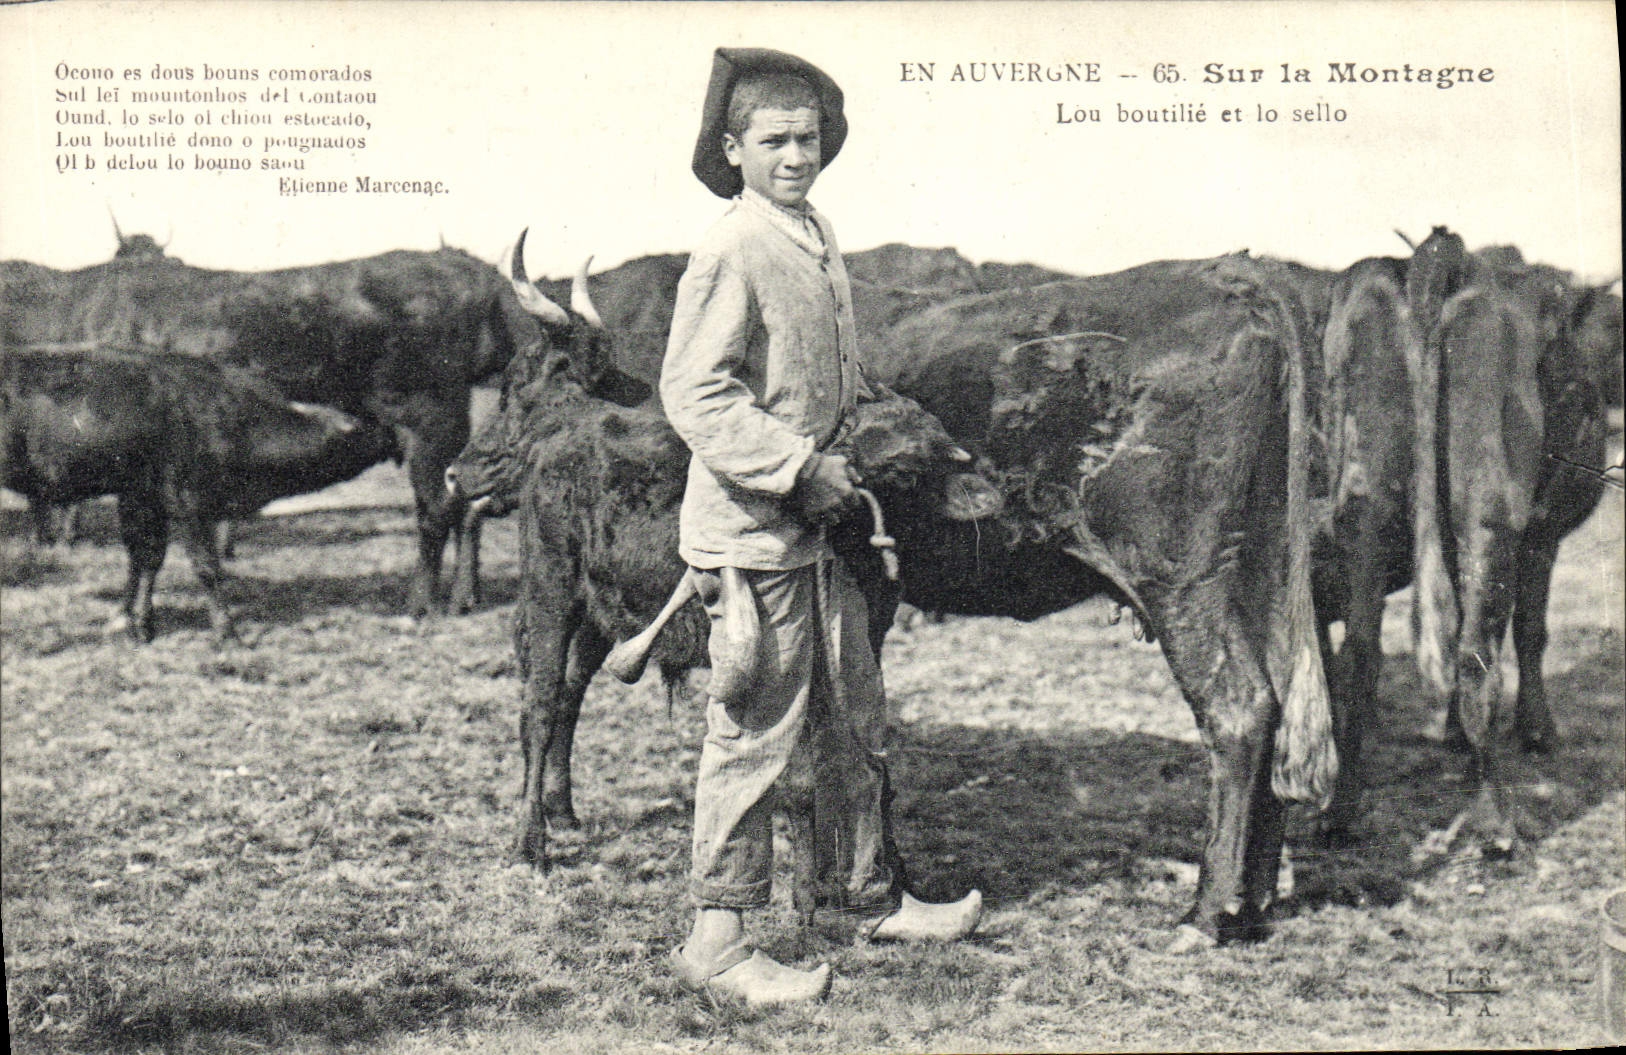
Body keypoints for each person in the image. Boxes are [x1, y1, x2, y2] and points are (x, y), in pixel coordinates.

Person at [660, 47, 982, 1009]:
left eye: (811, 137)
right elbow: (694, 391)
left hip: (823, 531)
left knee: (853, 714)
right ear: (732, 147)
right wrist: (798, 467)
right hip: (755, 535)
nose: (797, 155)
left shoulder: (812, 231)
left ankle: (861, 897)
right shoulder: (733, 247)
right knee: (756, 731)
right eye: (775, 140)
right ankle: (716, 943)